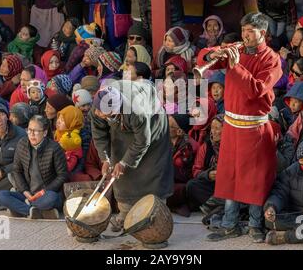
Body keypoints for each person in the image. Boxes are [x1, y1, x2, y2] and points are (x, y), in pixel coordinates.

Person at [196, 12, 282, 242]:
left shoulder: (272, 59)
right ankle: (229, 223)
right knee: (229, 176)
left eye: (250, 32)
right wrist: (213, 54)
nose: (245, 36)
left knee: (254, 178)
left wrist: (236, 66)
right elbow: (203, 57)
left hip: (255, 128)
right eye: (243, 31)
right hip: (232, 125)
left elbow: (257, 89)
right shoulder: (237, 48)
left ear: (262, 33)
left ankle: (255, 224)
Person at [90, 80, 174, 235]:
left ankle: (157, 213)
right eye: (97, 111)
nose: (97, 114)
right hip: (122, 128)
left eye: (102, 114)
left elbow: (143, 141)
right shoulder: (98, 105)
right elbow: (99, 134)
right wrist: (105, 159)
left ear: (115, 110)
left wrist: (125, 162)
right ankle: (125, 213)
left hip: (152, 127)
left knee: (153, 169)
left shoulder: (136, 110)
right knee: (119, 169)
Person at [0, 115, 67, 219]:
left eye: (36, 131)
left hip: (47, 193)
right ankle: (33, 211)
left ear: (45, 133)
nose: (32, 134)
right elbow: (17, 170)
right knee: (1, 195)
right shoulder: (22, 144)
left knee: (51, 199)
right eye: (29, 130)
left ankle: (24, 209)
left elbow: (62, 175)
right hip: (28, 194)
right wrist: (25, 191)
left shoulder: (54, 148)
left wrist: (44, 192)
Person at [186, 114, 223, 213]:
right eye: (212, 128)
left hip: (227, 186)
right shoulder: (206, 146)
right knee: (192, 186)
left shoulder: (232, 147)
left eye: (217, 128)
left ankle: (215, 207)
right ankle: (218, 207)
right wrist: (208, 175)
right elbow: (196, 170)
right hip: (211, 185)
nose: (213, 132)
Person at [166, 113, 197, 217]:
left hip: (182, 181)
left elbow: (185, 172)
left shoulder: (189, 146)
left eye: (171, 127)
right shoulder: (166, 140)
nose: (166, 128)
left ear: (180, 131)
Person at [54, 105, 83, 180]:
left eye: (63, 120)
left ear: (72, 123)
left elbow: (68, 166)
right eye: (59, 118)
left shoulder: (72, 141)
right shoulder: (58, 133)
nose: (58, 121)